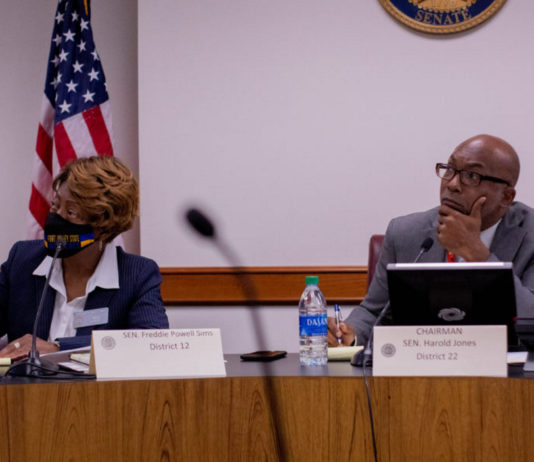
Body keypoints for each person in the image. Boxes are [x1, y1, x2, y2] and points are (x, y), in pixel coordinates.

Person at [328, 134, 534, 347]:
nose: (452, 184)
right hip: (422, 368)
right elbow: (374, 312)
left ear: (506, 197)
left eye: (472, 176)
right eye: (450, 170)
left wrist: (478, 254)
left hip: (509, 375)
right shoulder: (406, 233)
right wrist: (350, 334)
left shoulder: (531, 235)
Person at [0, 156, 169, 361]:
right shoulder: (23, 260)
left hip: (98, 393)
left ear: (103, 228)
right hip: (24, 390)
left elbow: (151, 343)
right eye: (55, 206)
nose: (57, 217)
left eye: (71, 212)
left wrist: (58, 348)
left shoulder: (137, 275)